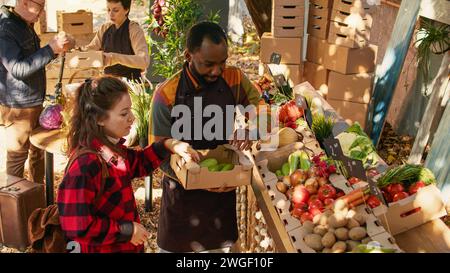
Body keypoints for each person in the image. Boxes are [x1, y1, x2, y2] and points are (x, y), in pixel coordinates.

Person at [149, 21, 268, 253]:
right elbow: (157, 152)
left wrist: (252, 127)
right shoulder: (166, 95)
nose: (217, 71)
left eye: (222, 63)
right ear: (189, 55)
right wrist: (197, 178)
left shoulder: (234, 78)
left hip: (221, 198)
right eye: (208, 64)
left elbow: (261, 104)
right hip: (181, 200)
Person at [57, 76, 199, 253]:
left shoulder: (111, 149)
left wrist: (169, 145)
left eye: (130, 110)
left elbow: (139, 162)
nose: (132, 118)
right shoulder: (85, 166)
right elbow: (77, 226)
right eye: (124, 113)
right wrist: (126, 230)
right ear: (99, 118)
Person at [0, 0, 74, 183]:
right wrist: (51, 49)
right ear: (24, 2)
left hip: (33, 102)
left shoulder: (24, 23)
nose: (42, 12)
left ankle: (37, 201)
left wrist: (57, 50)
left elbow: (31, 60)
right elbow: (18, 68)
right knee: (17, 160)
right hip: (18, 107)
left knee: (37, 154)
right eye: (40, 6)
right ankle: (13, 208)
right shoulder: (6, 29)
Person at [84, 0, 149, 81]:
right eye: (108, 10)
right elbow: (90, 49)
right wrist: (75, 49)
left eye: (115, 10)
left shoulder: (134, 29)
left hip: (130, 85)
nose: (111, 14)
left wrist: (115, 58)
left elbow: (144, 61)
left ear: (126, 10)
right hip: (108, 84)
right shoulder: (104, 28)